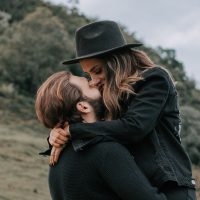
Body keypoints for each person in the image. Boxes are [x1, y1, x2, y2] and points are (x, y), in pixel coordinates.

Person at [48, 21, 197, 199]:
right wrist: (55, 135)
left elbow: (134, 127)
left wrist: (73, 131)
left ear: (116, 63)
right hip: (137, 186)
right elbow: (90, 122)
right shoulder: (108, 94)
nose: (94, 81)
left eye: (97, 71)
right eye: (89, 75)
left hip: (170, 186)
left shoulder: (153, 80)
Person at [36, 71, 167, 200]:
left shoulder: (57, 160)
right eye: (88, 84)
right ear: (83, 107)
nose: (94, 82)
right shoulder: (105, 151)